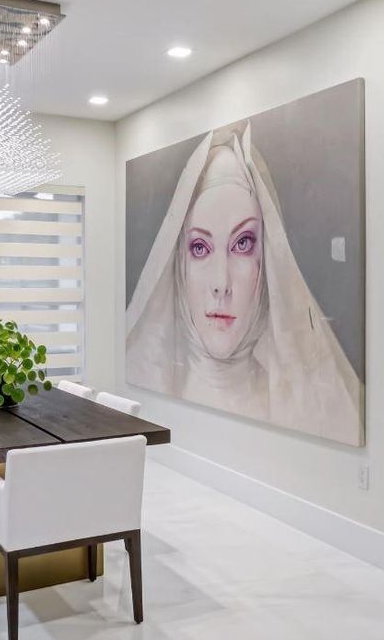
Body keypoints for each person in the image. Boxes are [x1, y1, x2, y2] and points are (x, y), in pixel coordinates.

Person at [125, 121, 362, 446]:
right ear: (179, 264)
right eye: (199, 248)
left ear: (265, 261)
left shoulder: (317, 409)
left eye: (242, 244)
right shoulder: (149, 385)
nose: (221, 284)